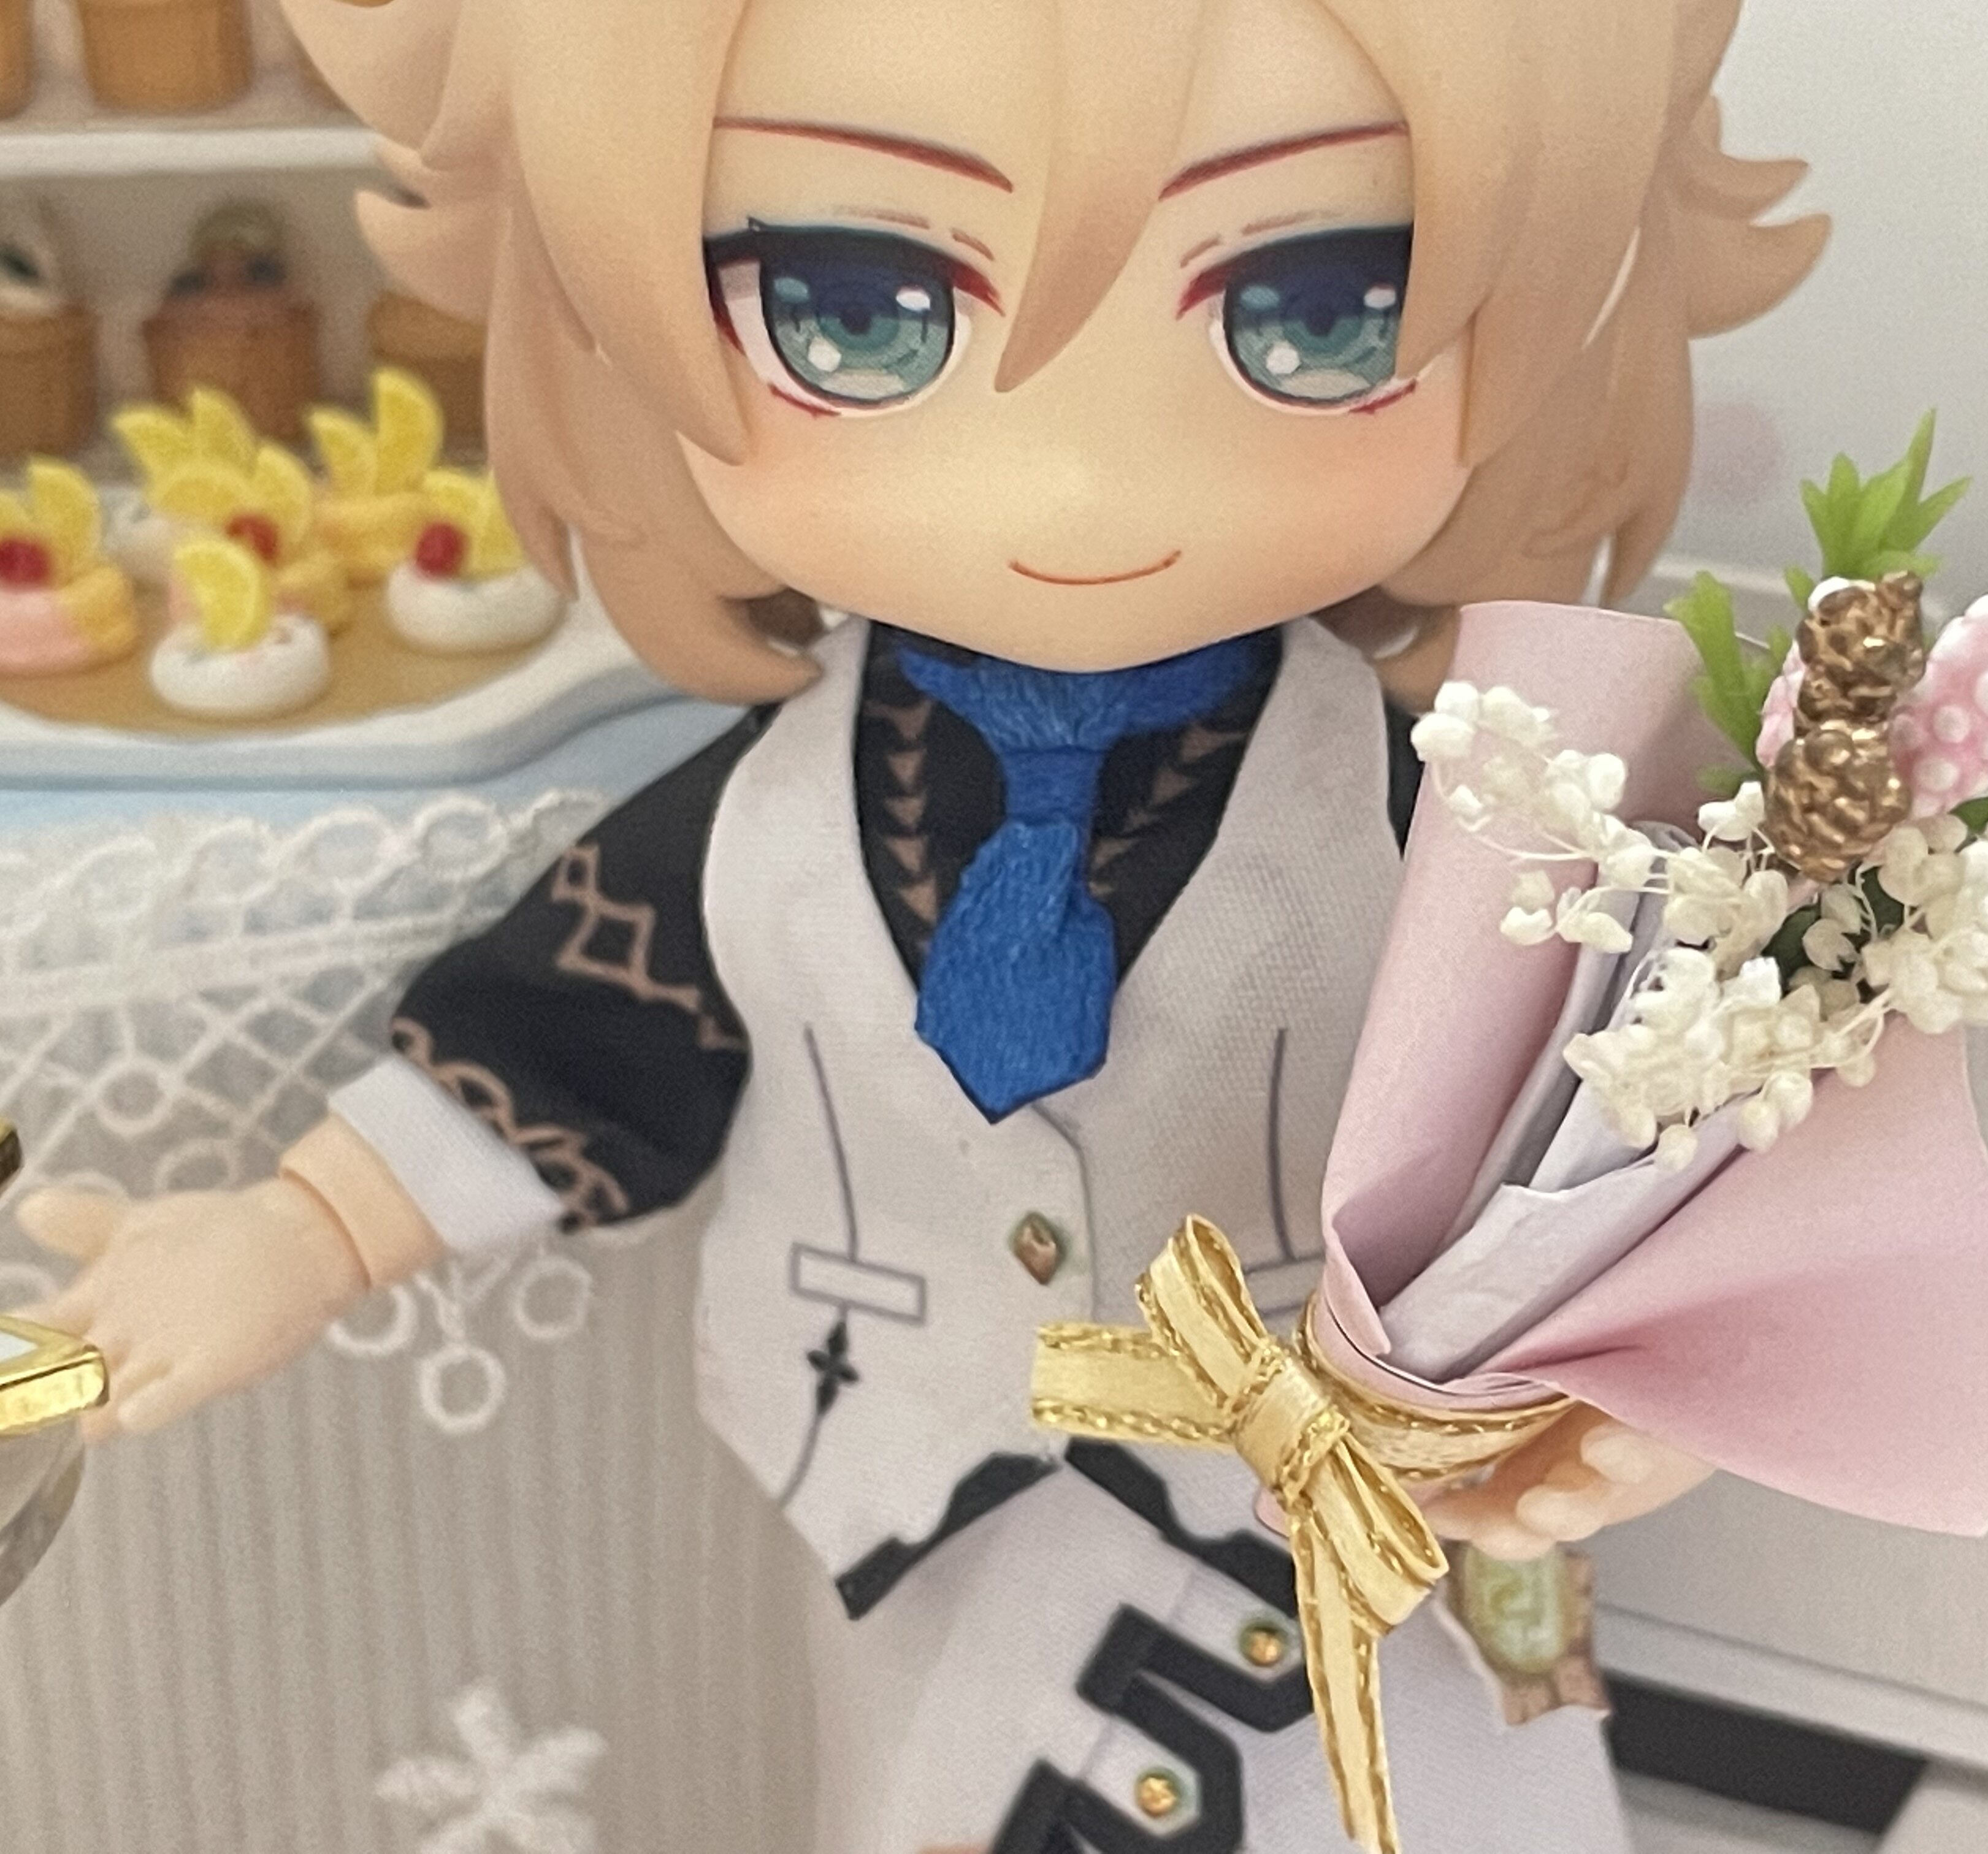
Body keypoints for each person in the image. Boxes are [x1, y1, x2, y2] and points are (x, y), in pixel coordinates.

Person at [15, 1, 1822, 1847]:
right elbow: (563, 1051)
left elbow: (1609, 1118)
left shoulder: (1450, 805)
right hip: (909, 1495)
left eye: (1321, 312)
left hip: (1342, 1534)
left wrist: (1652, 1374)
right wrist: (301, 1228)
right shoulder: (765, 820)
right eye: (859, 312)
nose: (1080, 480)